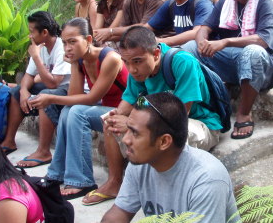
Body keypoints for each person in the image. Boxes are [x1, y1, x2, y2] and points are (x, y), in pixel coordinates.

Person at [85, 26, 224, 206]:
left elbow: (179, 117)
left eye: (137, 61)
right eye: (126, 62)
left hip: (199, 122)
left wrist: (132, 123)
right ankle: (115, 182)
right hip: (160, 118)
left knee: (167, 136)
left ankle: (177, 198)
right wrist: (117, 116)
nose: (132, 69)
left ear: (156, 53)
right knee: (109, 123)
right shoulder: (139, 71)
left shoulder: (181, 62)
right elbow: (133, 102)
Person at [28, 17, 128, 200]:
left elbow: (92, 97)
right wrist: (74, 63)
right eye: (65, 43)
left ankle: (81, 181)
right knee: (69, 111)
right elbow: (75, 97)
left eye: (73, 42)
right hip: (105, 110)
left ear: (89, 40)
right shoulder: (81, 61)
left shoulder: (109, 58)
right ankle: (57, 173)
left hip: (124, 112)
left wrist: (50, 97)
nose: (67, 48)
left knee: (76, 112)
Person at [100, 92, 239, 223]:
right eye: (128, 129)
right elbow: (119, 213)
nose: (125, 140)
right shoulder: (141, 163)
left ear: (164, 142)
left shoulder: (206, 179)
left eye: (135, 133)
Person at [183, 0, 273, 140]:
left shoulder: (265, 1)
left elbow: (263, 40)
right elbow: (204, 28)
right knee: (189, 48)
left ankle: (244, 113)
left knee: (252, 52)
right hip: (233, 61)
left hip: (263, 66)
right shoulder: (225, 1)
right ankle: (197, 104)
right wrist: (202, 40)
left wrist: (225, 42)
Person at [0, 11, 71, 168]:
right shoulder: (40, 47)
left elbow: (54, 84)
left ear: (44, 32)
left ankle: (44, 151)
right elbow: (28, 75)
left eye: (32, 32)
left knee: (44, 95)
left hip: (67, 90)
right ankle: (9, 141)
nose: (29, 36)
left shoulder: (61, 47)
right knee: (16, 91)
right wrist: (24, 91)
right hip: (51, 87)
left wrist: (37, 57)